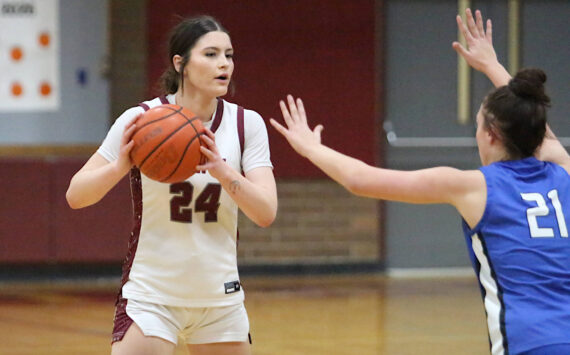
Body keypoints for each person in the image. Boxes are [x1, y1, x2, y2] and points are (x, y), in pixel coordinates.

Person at [270, 8, 570, 355]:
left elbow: (360, 180)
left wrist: (310, 149)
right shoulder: (563, 171)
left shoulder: (473, 186)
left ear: (489, 135)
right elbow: (537, 129)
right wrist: (492, 66)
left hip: (528, 344)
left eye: (477, 126)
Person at [66, 15, 277, 355]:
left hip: (219, 297)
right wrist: (121, 165)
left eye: (229, 54)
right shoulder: (141, 120)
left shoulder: (245, 124)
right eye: (210, 54)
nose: (224, 63)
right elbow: (76, 195)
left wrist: (223, 171)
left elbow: (266, 213)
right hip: (152, 296)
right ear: (180, 63)